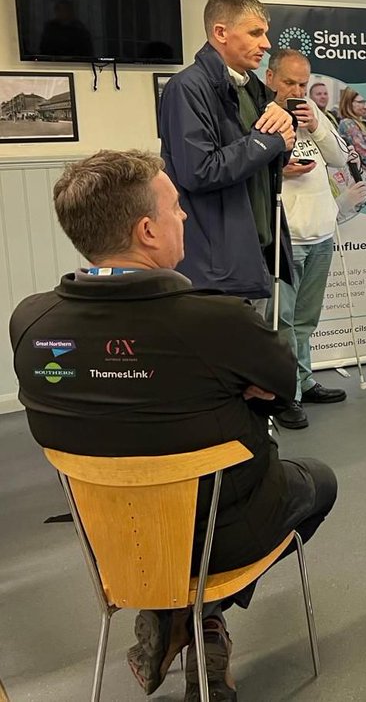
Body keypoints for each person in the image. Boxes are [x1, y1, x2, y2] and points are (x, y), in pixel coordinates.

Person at [9, 151, 337, 702]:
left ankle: (177, 620)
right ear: (146, 230)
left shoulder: (31, 322)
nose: (184, 218)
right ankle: (198, 616)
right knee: (321, 481)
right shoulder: (220, 321)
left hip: (109, 543)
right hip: (220, 536)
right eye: (177, 208)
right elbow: (282, 387)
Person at [160, 0, 295, 306]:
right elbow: (199, 171)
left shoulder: (254, 88)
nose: (267, 44)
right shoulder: (187, 88)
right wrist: (269, 141)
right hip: (217, 268)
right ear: (221, 32)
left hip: (256, 254)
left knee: (255, 354)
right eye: (255, 33)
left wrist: (285, 134)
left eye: (266, 33)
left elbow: (268, 158)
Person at [265, 49, 366, 430]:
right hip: (285, 235)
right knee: (282, 322)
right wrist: (280, 167)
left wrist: (317, 127)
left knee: (306, 320)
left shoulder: (315, 115)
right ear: (271, 79)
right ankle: (284, 395)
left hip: (322, 232)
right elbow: (245, 169)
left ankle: (304, 381)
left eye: (302, 83)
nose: (296, 90)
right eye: (289, 82)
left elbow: (342, 159)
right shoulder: (261, 116)